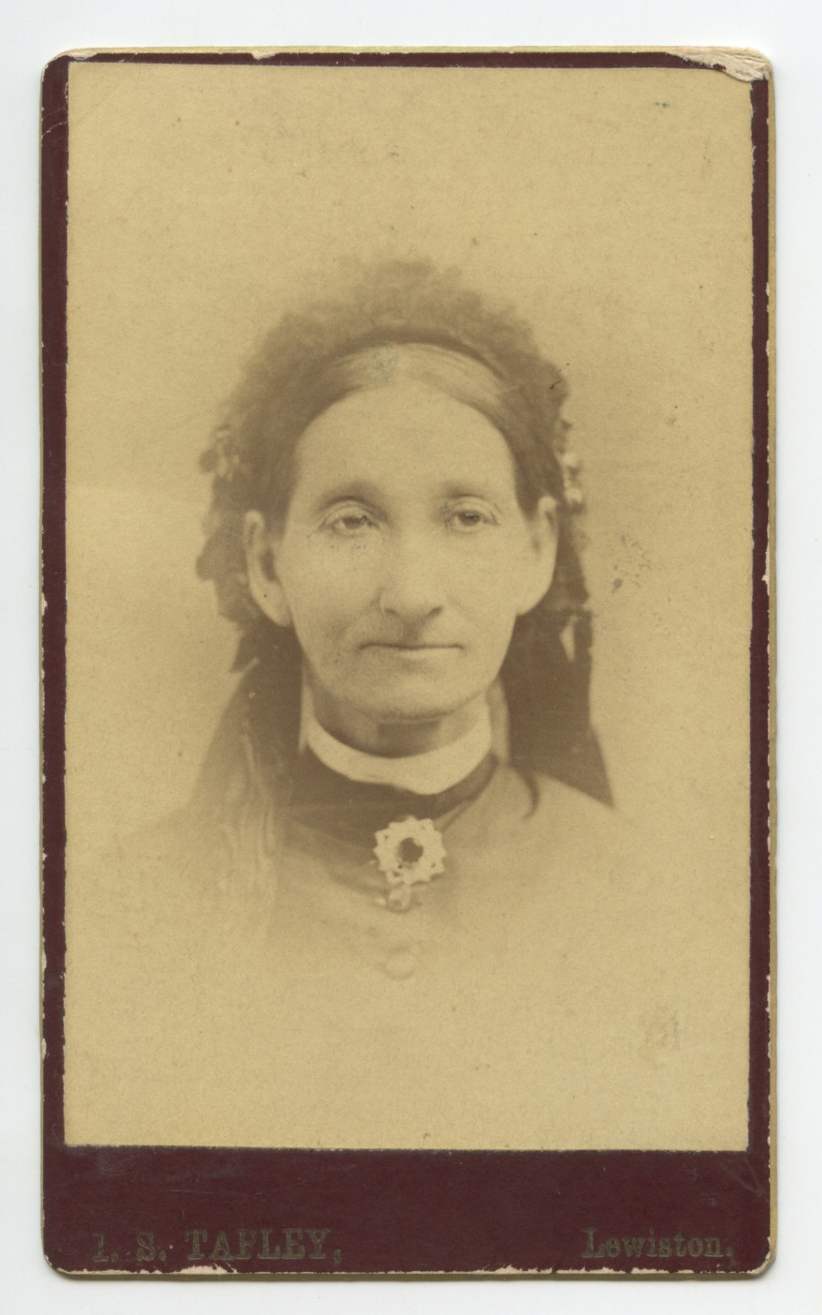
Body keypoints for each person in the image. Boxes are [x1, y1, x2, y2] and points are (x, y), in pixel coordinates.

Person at [67, 263, 651, 1151]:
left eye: (465, 516)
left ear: (536, 550)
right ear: (267, 563)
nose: (411, 593)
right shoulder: (134, 911)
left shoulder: (635, 897)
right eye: (351, 519)